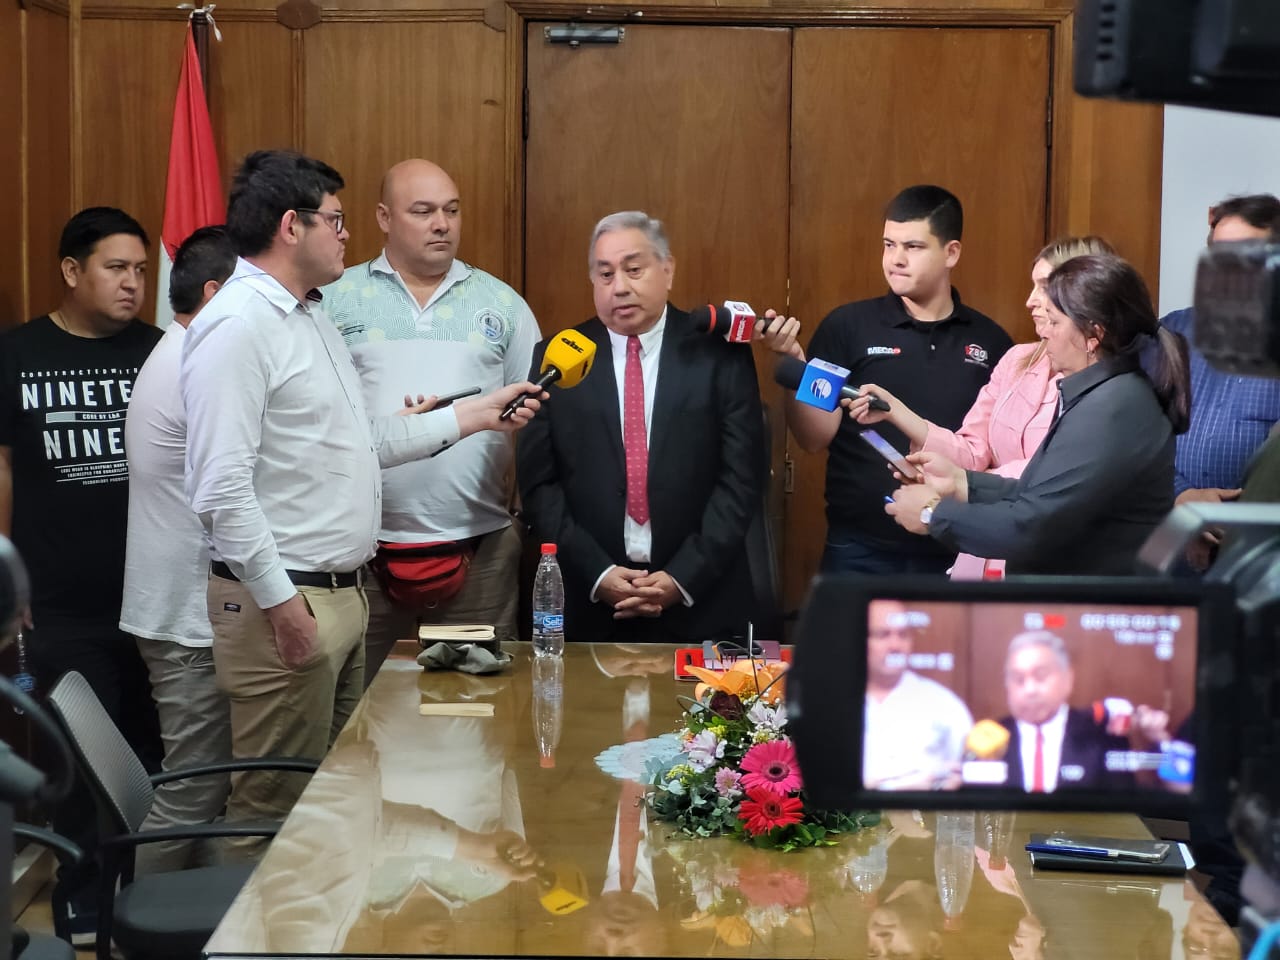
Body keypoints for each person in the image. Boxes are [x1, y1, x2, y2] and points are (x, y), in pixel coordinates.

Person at [181, 150, 546, 856]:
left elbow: (362, 443)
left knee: (341, 786)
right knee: (271, 810)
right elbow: (219, 489)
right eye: (337, 221)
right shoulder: (239, 326)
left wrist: (474, 415)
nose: (347, 237)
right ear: (293, 226)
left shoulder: (308, 317)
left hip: (336, 590)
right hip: (289, 599)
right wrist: (281, 604)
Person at [0, 206, 164, 943]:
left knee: (154, 759)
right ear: (71, 272)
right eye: (116, 269)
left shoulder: (162, 351)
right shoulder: (16, 353)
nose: (133, 284)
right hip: (59, 602)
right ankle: (82, 896)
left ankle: (149, 900)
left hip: (155, 599)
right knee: (80, 763)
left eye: (141, 269)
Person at [323, 159, 538, 683]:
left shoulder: (502, 304)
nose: (442, 223)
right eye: (423, 211)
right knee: (357, 719)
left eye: (451, 210)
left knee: (476, 716)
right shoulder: (332, 298)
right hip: (360, 552)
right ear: (383, 218)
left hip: (480, 549)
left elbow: (535, 419)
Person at [516, 211, 765, 642]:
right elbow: (539, 484)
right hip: (590, 599)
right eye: (605, 274)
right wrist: (599, 573)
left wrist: (682, 577)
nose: (620, 287)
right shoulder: (556, 357)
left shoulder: (719, 356)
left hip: (701, 596)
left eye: (634, 270)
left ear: (667, 270)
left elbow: (741, 479)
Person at [758, 184, 1012, 575]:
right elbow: (813, 437)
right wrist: (796, 362)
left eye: (913, 247)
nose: (896, 260)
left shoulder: (991, 342)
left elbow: (998, 456)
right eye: (888, 245)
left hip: (957, 547)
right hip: (859, 549)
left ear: (951, 252)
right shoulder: (848, 327)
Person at [886, 255, 1191, 576]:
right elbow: (1046, 495)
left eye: (1055, 322)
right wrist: (962, 482)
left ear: (1093, 336)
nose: (1044, 332)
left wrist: (931, 515)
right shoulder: (1104, 394)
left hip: (1090, 610)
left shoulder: (1113, 406)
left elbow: (1030, 526)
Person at [848, 236, 1115, 579]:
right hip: (983, 553)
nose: (1031, 301)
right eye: (1032, 285)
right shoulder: (1018, 358)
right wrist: (897, 413)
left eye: (1044, 287)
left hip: (1050, 557)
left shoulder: (1108, 385)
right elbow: (974, 450)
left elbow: (1050, 477)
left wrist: (960, 484)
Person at [121, 225, 237, 873]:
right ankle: (146, 928)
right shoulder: (193, 365)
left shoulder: (183, 351)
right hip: (185, 621)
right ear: (218, 295)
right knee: (193, 789)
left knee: (208, 787)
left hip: (189, 612)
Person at [1163, 194, 1280, 569]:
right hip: (1168, 533)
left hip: (1256, 553)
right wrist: (1183, 497)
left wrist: (1223, 522)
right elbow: (1136, 439)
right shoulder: (1171, 332)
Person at [996, 632, 1131, 792]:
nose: (1029, 690)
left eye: (1040, 676)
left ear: (1068, 679)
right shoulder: (985, 739)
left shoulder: (1101, 737)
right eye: (1018, 679)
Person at [862, 599, 972, 789]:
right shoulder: (837, 699)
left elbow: (968, 773)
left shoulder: (944, 703)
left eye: (903, 635)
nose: (895, 645)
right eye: (882, 635)